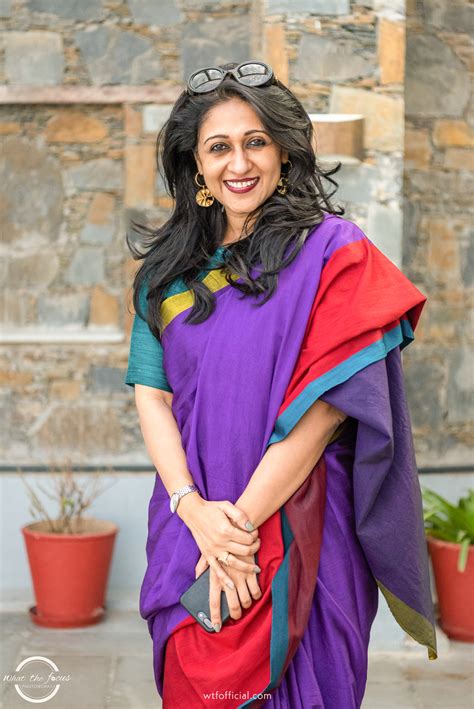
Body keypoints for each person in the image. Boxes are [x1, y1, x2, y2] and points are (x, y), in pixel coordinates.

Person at [124, 61, 438, 708]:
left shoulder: (334, 255)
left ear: (285, 152)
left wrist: (236, 530)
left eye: (256, 142)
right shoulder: (167, 274)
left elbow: (325, 413)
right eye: (219, 147)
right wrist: (195, 513)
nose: (239, 163)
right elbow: (152, 397)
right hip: (191, 527)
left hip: (303, 529)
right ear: (196, 166)